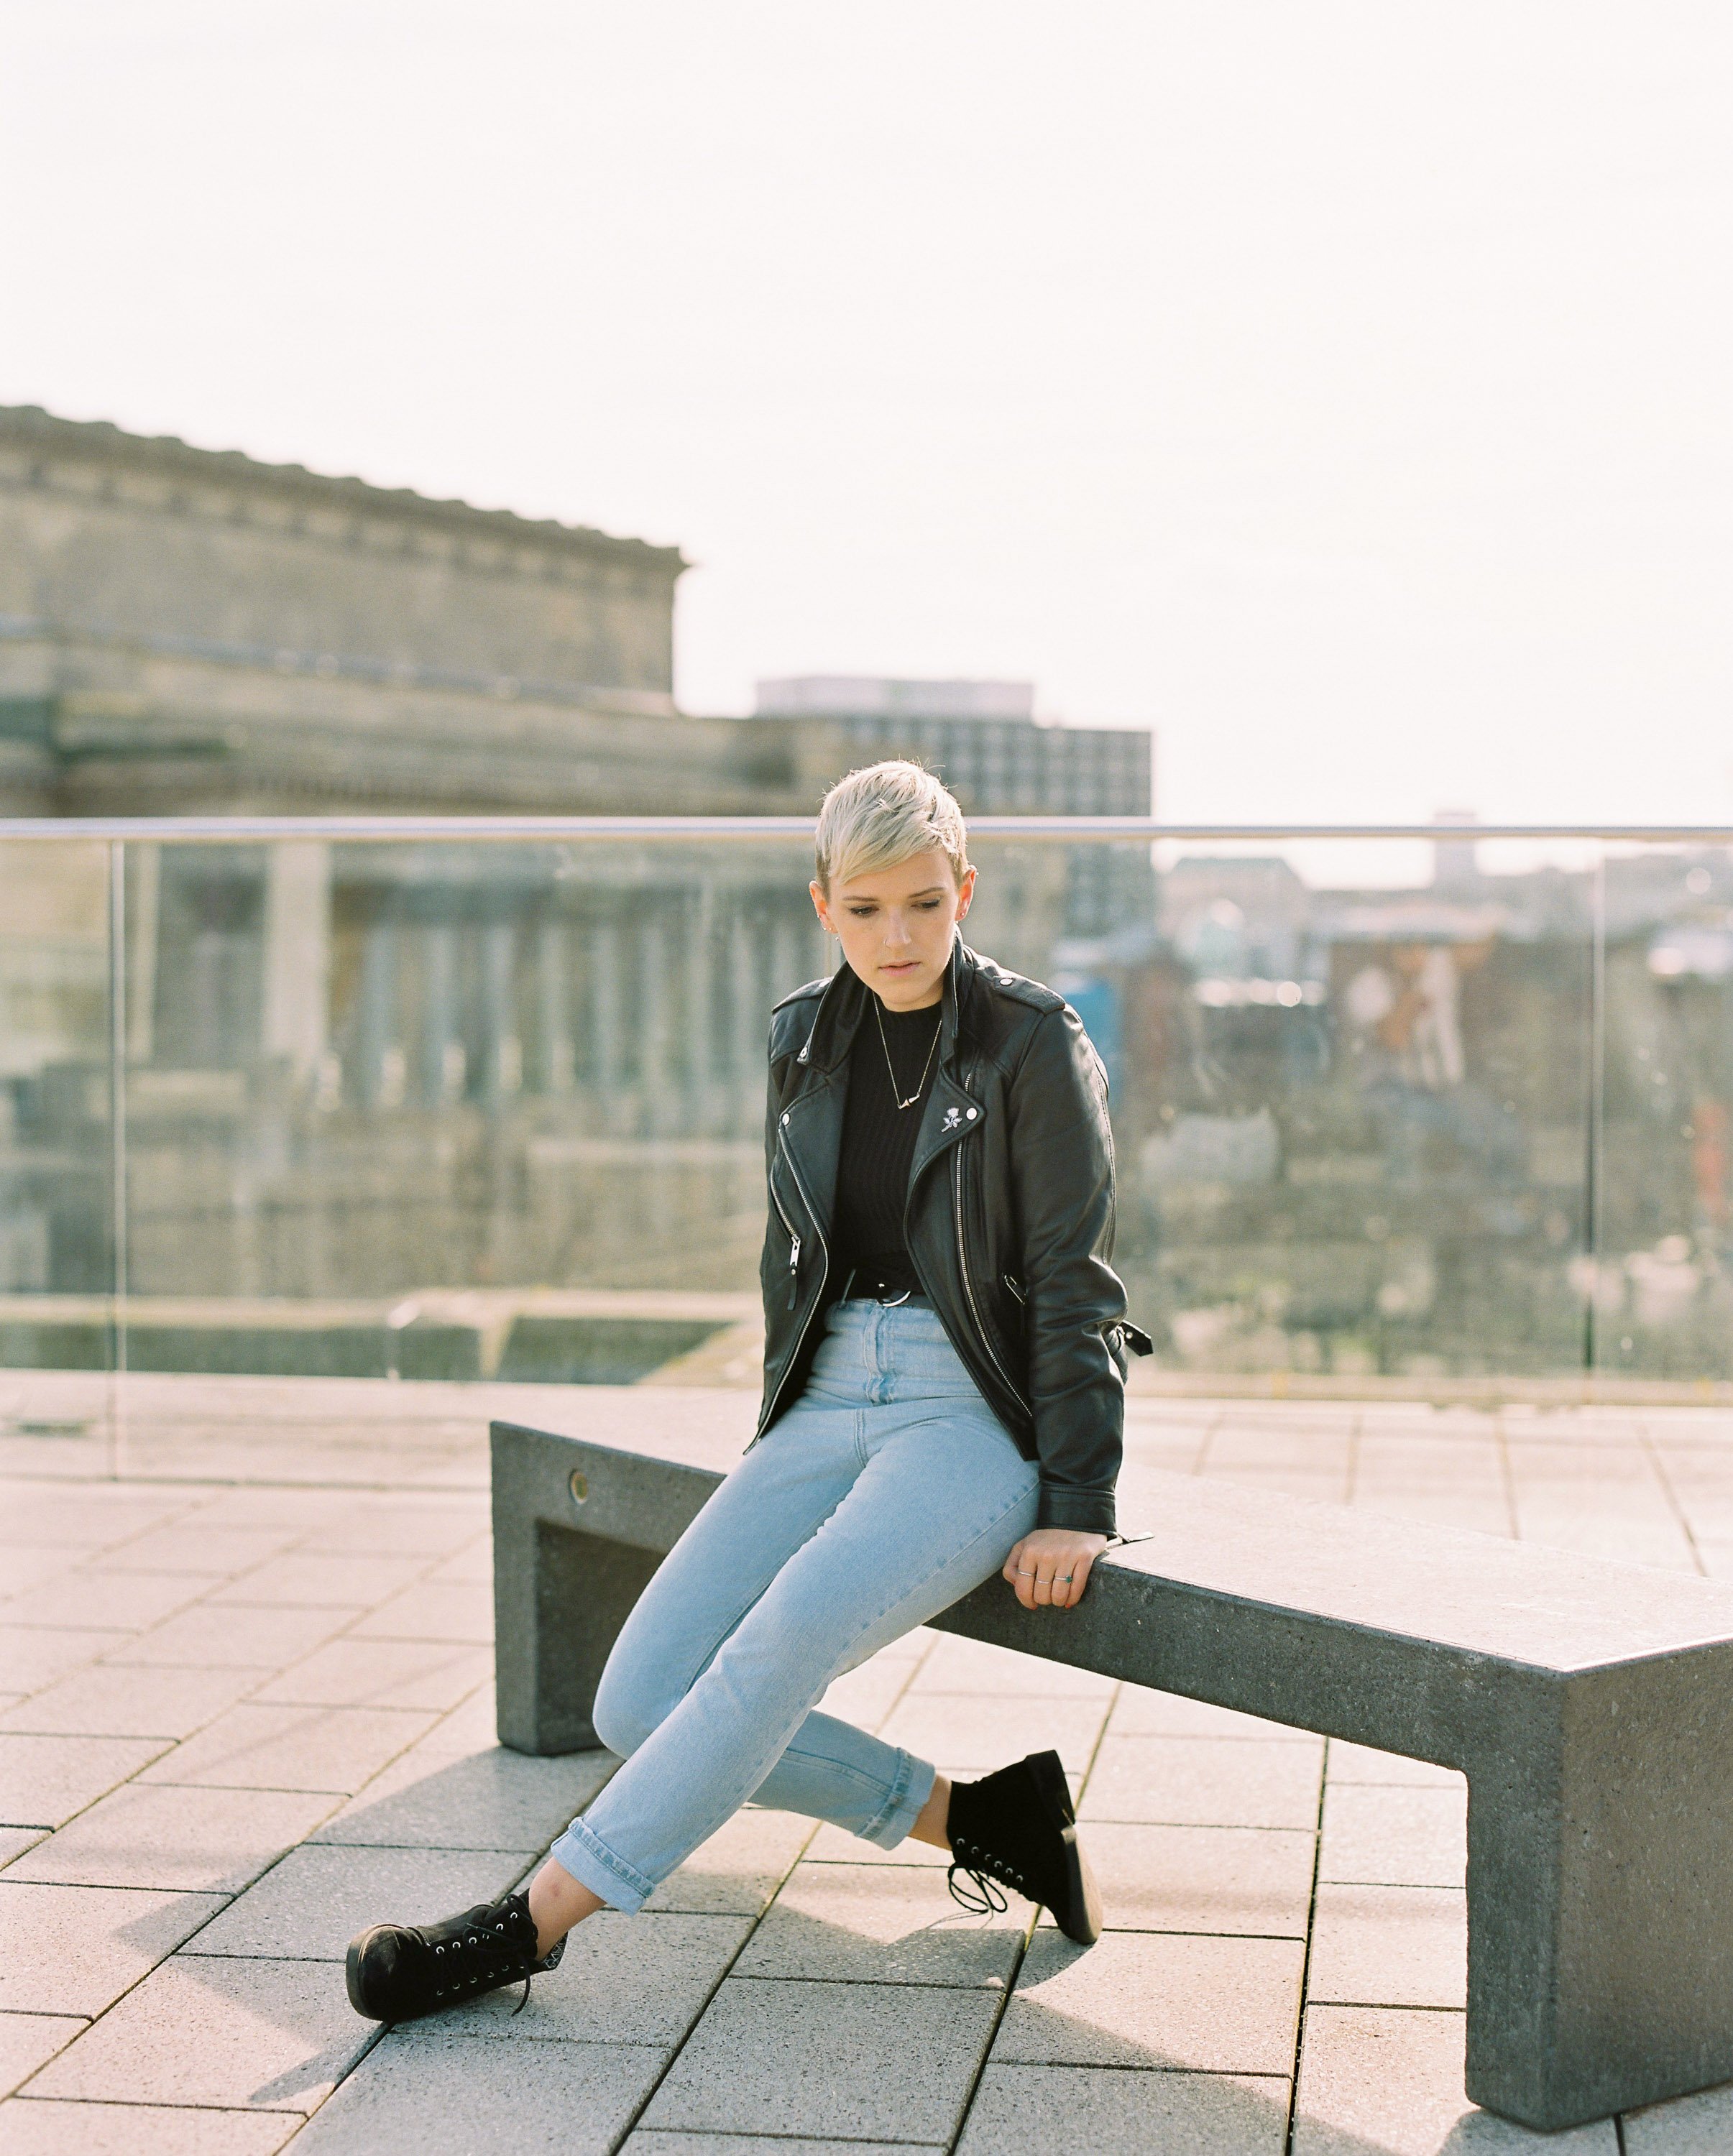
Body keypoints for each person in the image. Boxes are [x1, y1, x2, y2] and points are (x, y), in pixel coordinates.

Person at [346, 760, 1149, 2023]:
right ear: (824, 904)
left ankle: (532, 1925)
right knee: (636, 1700)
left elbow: (1072, 1280)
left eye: (927, 907)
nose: (901, 937)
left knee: (775, 1648)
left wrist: (1078, 1498)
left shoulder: (1032, 1042)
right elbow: (797, 1253)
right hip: (830, 1394)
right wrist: (784, 1421)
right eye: (871, 908)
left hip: (970, 1412)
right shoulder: (800, 1038)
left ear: (965, 893)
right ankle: (986, 1818)